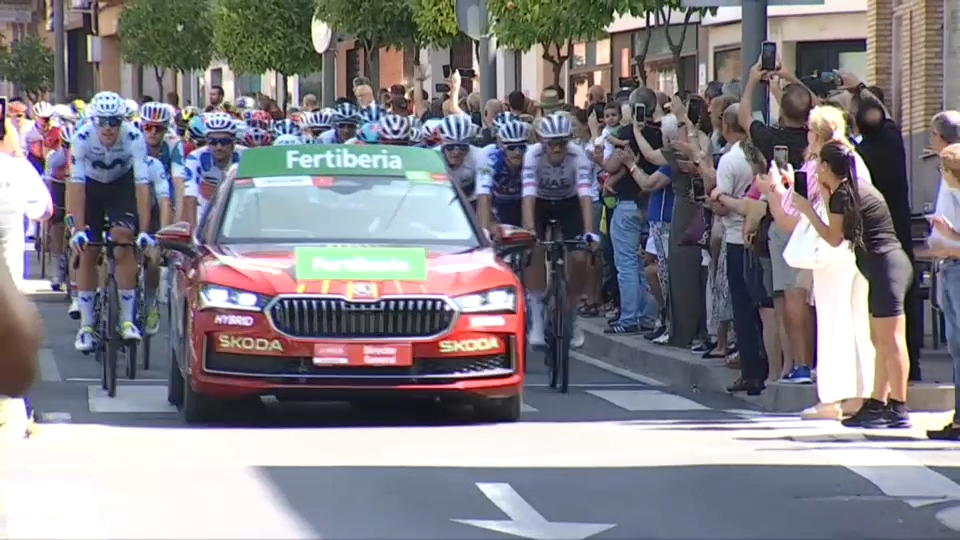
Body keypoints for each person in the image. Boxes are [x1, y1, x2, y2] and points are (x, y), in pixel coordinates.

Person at [791, 140, 912, 429]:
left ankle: (898, 406)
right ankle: (879, 402)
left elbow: (833, 238)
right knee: (880, 340)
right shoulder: (850, 188)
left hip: (885, 265)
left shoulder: (844, 194)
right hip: (886, 265)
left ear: (825, 167)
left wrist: (808, 210)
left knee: (891, 340)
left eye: (818, 164)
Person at [67, 92, 155, 351]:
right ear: (94, 121)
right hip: (91, 188)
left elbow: (141, 185)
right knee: (88, 249)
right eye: (102, 122)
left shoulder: (134, 137)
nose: (108, 128)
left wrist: (145, 231)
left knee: (123, 240)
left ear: (122, 121)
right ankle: (87, 325)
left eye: (114, 121)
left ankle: (127, 320)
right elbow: (76, 186)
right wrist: (78, 229)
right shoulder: (82, 137)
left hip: (121, 186)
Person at [923, 113, 960, 440]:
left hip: (956, 268)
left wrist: (949, 244)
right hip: (949, 266)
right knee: (956, 346)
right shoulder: (949, 180)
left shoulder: (955, 179)